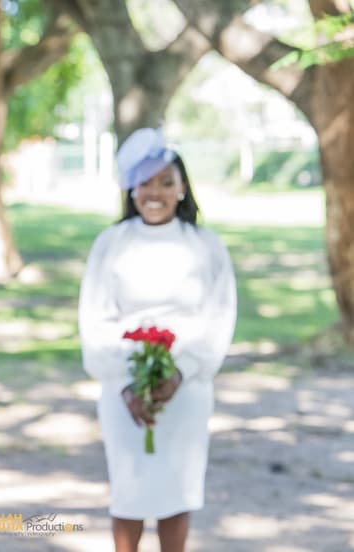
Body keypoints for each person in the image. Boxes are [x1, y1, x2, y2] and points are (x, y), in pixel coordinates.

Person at [78, 128, 237, 552]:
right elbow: (94, 318)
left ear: (182, 188)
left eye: (166, 182)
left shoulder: (206, 246)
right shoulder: (111, 243)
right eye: (145, 182)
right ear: (131, 188)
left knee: (178, 490)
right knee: (129, 489)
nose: (155, 192)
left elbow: (219, 316)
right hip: (122, 388)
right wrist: (128, 385)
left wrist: (181, 373)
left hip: (187, 388)